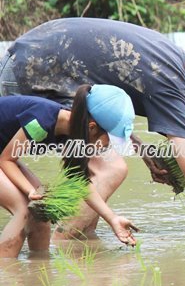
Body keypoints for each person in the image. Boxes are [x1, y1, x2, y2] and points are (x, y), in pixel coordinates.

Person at [0, 18, 185, 235]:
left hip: (34, 56)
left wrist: (142, 150)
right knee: (110, 168)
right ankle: (66, 241)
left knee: (95, 167)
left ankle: (81, 237)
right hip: (31, 73)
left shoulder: (169, 59)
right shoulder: (170, 82)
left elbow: (107, 112)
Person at [0, 85, 138, 257]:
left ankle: (40, 274)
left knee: (41, 213)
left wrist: (112, 219)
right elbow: (6, 160)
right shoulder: (42, 120)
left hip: (4, 154)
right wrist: (30, 191)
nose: (107, 146)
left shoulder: (75, 133)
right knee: (24, 210)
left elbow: (80, 181)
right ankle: (7, 276)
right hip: (4, 158)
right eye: (108, 140)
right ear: (92, 127)